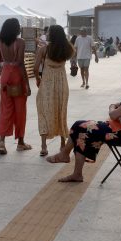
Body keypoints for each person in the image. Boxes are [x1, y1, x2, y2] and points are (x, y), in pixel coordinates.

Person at [46, 61, 121, 182]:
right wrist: (118, 112)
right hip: (118, 127)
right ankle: (74, 170)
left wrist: (116, 112)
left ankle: (66, 157)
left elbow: (113, 113)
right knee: (80, 129)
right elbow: (116, 106)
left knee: (79, 127)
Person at [34, 25, 75, 156]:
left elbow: (35, 68)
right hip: (62, 84)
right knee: (61, 112)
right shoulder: (68, 49)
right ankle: (63, 144)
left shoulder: (43, 50)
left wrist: (37, 79)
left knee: (44, 112)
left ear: (51, 35)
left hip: (47, 84)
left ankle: (44, 146)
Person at [0, 18, 32, 154]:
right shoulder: (20, 42)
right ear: (16, 28)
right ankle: (20, 143)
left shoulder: (0, 41)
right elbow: (21, 63)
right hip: (17, 76)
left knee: (5, 110)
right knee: (20, 111)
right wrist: (27, 84)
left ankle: (2, 142)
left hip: (5, 76)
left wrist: (5, 65)